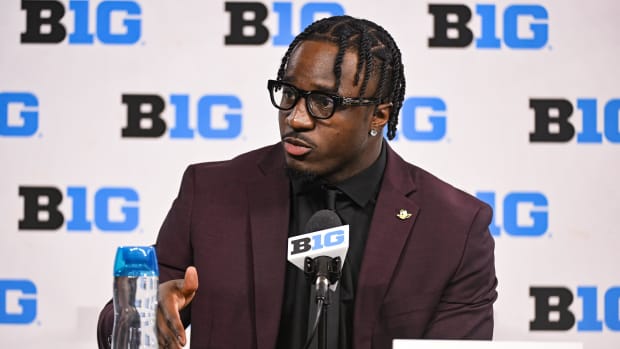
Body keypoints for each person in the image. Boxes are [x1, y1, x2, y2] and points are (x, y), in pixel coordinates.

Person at [97, 15, 497, 349]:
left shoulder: (455, 228)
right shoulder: (213, 193)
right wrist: (144, 311)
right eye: (289, 93)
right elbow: (118, 318)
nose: (296, 118)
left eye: (324, 103)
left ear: (379, 115)